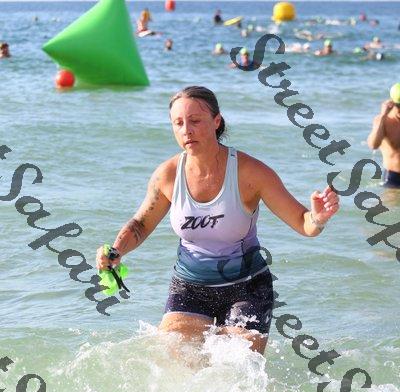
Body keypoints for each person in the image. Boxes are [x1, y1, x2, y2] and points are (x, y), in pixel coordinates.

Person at [96, 86, 339, 354]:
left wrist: (318, 218)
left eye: (195, 121)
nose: (186, 130)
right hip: (189, 287)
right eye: (178, 123)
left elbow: (304, 223)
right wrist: (116, 251)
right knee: (180, 365)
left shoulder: (250, 173)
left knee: (235, 367)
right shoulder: (167, 175)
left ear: (216, 121)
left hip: (247, 288)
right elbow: (141, 225)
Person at [368, 84, 400, 187]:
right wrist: (383, 116)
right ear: (392, 103)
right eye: (399, 106)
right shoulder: (383, 121)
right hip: (394, 178)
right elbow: (373, 145)